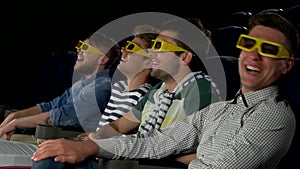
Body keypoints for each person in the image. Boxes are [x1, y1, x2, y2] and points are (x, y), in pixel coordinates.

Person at [32, 12, 299, 169]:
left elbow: (216, 167)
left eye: (269, 50)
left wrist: (164, 152)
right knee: (53, 157)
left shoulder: (274, 114)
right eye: (249, 44)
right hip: (141, 162)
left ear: (286, 65)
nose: (254, 56)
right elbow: (155, 142)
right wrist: (92, 147)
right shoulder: (219, 109)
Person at [30, 17, 222, 168]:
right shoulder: (158, 92)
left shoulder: (199, 90)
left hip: (152, 165)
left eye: (159, 46)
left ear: (184, 57)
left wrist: (104, 147)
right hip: (133, 158)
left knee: (51, 161)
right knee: (54, 153)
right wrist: (94, 139)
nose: (152, 52)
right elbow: (119, 126)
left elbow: (180, 148)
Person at [0, 32, 121, 139]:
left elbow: (60, 116)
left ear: (102, 59)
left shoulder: (100, 88)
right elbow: (52, 106)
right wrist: (15, 116)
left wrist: (16, 122)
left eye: (85, 47)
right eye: (80, 46)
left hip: (75, 143)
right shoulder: (82, 83)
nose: (78, 50)